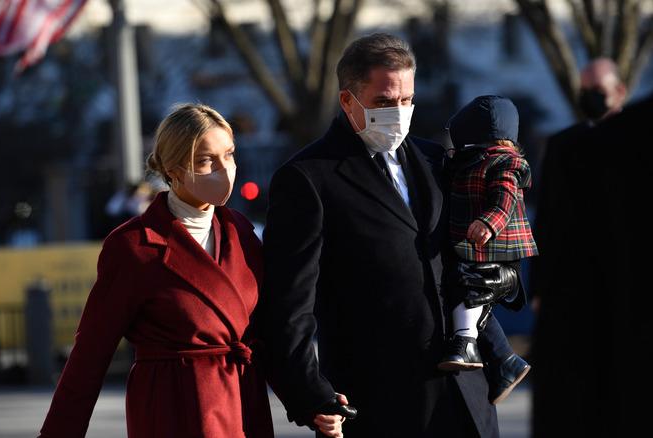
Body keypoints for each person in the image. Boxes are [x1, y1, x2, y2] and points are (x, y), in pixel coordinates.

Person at [258, 32, 517, 437]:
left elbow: (466, 249)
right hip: (378, 402)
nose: (398, 112)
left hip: (466, 394)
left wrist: (506, 281)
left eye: (406, 100)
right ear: (348, 100)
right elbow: (287, 303)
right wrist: (308, 393)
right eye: (383, 101)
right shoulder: (308, 177)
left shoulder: (437, 159)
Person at [38, 103, 346, 438]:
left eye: (229, 154)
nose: (224, 169)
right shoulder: (133, 245)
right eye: (205, 160)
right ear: (173, 169)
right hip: (175, 407)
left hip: (244, 404)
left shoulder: (240, 231)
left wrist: (311, 398)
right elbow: (90, 353)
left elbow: (265, 334)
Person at [530, 63, 652, 436]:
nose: (590, 98)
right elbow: (548, 219)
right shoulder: (565, 144)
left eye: (597, 89)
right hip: (576, 285)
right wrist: (538, 286)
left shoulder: (640, 142)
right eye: (585, 89)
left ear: (620, 91)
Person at [437, 95, 536, 405]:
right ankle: (506, 361)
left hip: (492, 243)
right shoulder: (469, 161)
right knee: (478, 299)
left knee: (468, 285)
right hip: (476, 242)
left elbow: (505, 197)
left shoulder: (503, 161)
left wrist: (489, 222)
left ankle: (465, 341)